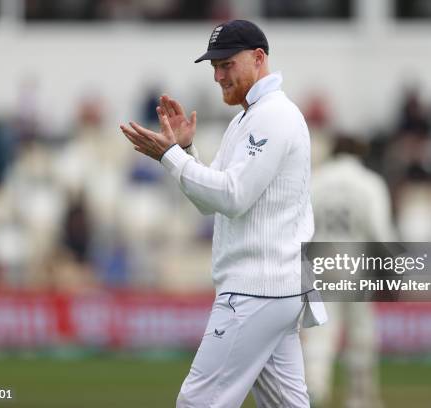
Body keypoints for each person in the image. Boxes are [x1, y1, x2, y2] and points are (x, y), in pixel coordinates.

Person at [120, 19, 326, 408]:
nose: (217, 75)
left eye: (227, 64)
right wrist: (184, 152)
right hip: (272, 288)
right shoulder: (247, 118)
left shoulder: (274, 116)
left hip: (256, 291)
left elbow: (232, 197)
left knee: (197, 403)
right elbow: (210, 199)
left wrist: (169, 156)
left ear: (258, 58)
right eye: (214, 66)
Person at [302, 136, 394, 408]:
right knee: (361, 334)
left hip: (321, 264)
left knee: (320, 334)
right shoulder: (370, 182)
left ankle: (314, 391)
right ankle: (360, 398)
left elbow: (302, 226)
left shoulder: (316, 180)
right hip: (357, 266)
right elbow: (381, 230)